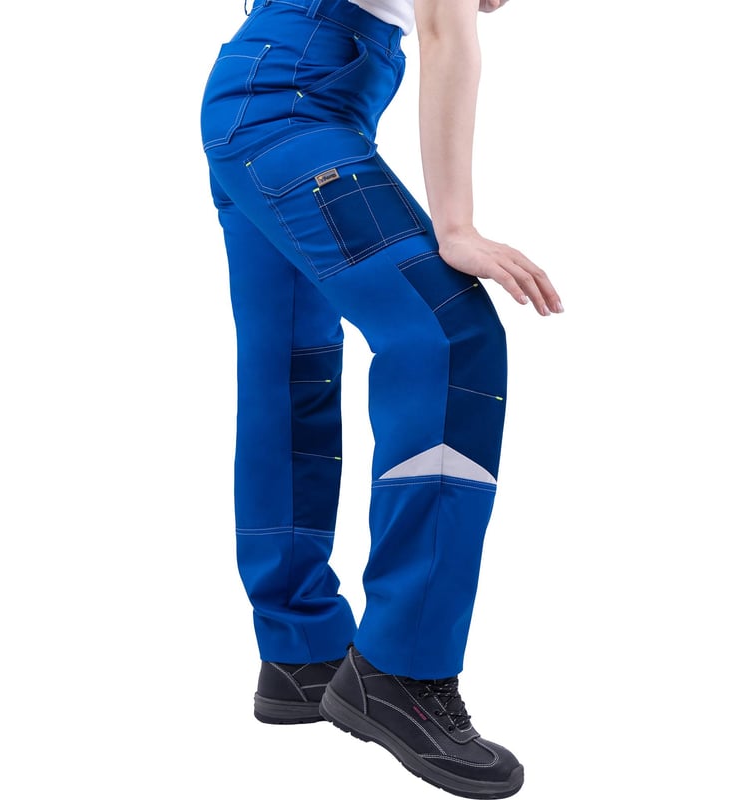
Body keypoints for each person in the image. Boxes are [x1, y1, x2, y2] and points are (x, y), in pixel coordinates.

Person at [200, 0, 561, 796]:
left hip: (259, 95)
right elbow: (443, 30)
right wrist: (456, 226)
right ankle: (403, 669)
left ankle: (299, 649)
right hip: (292, 108)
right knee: (450, 336)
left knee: (289, 371)